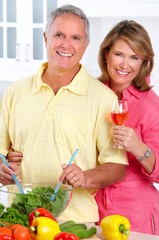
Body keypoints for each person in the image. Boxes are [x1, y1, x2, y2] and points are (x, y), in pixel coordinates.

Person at [0, 5, 128, 223]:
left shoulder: (104, 99)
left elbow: (116, 167)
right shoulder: (14, 92)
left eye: (75, 38)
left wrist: (86, 177)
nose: (66, 45)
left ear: (85, 46)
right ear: (45, 38)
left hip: (75, 222)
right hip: (20, 220)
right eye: (59, 35)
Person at [95, 20, 159, 234]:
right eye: (119, 54)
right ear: (106, 54)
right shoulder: (93, 94)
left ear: (143, 62)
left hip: (135, 213)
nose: (125, 65)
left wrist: (139, 147)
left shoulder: (151, 105)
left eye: (134, 58)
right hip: (93, 207)